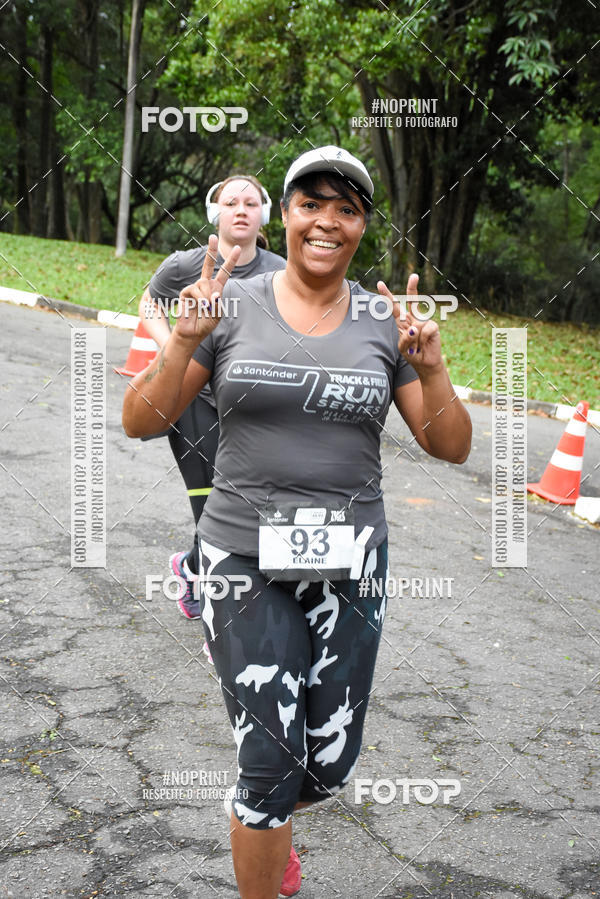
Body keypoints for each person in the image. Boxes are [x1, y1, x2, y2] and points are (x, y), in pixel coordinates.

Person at [123, 145, 472, 899]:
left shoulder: (384, 323)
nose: (327, 220)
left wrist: (434, 368)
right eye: (310, 203)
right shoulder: (229, 307)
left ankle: (269, 817)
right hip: (241, 556)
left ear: (361, 227)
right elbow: (138, 420)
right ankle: (262, 821)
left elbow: (451, 445)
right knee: (270, 760)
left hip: (351, 564)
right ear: (286, 216)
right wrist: (183, 339)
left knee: (329, 765)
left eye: (346, 208)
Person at [138, 175, 285, 638]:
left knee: (250, 504)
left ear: (262, 215)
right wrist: (173, 350)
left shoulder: (281, 269)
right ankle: (218, 610)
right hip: (196, 406)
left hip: (250, 410)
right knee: (210, 505)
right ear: (215, 213)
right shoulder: (186, 265)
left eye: (250, 202)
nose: (240, 209)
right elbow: (149, 302)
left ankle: (190, 566)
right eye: (230, 202)